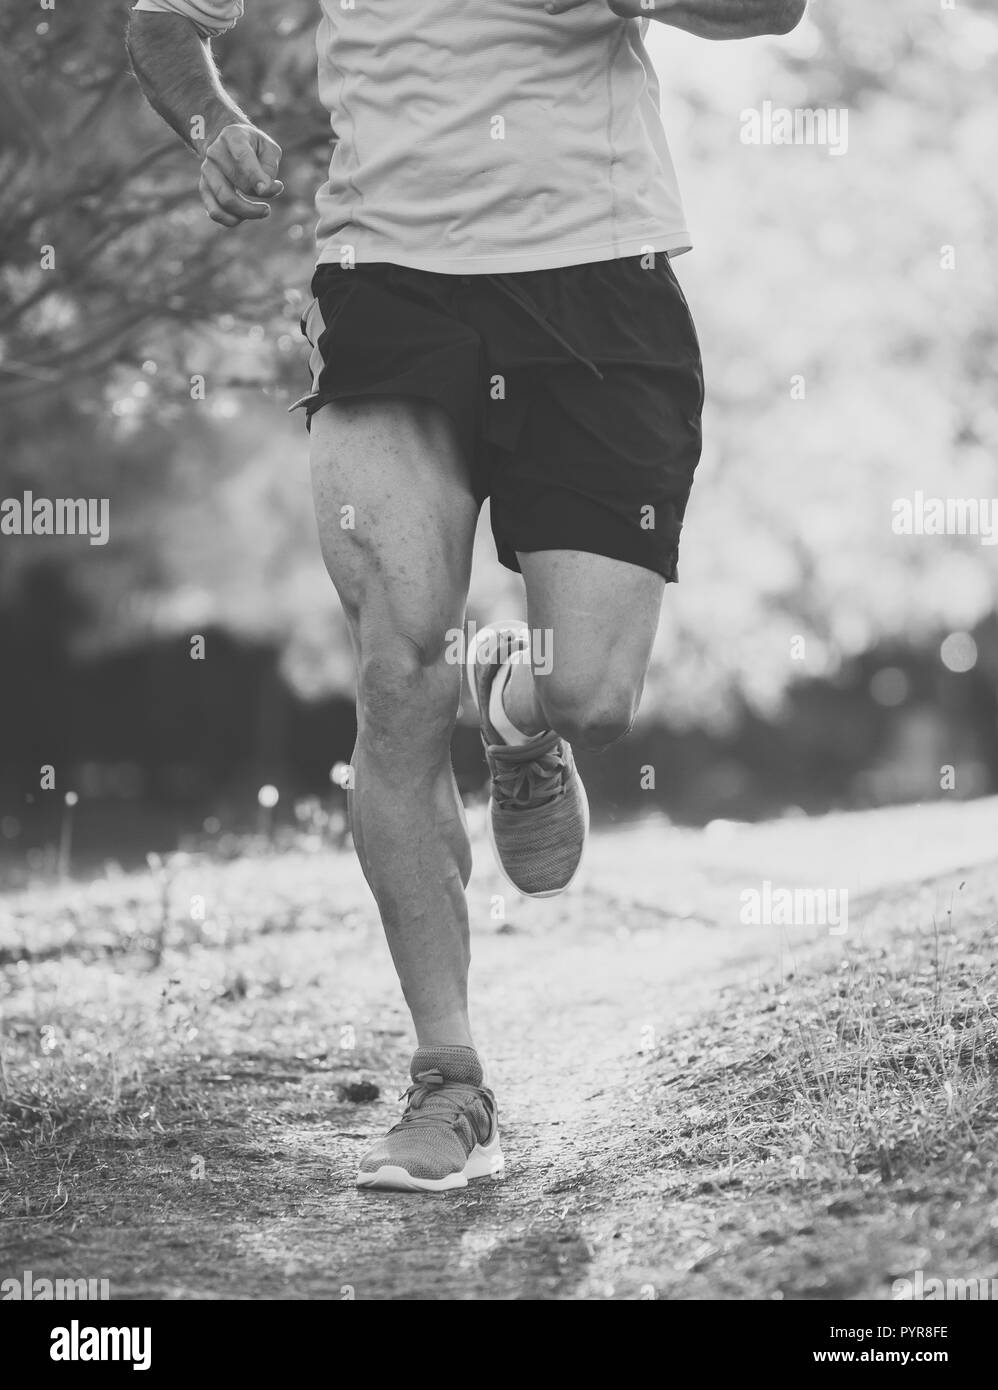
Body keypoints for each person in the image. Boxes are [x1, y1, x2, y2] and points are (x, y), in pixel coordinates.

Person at [126, 0, 806, 1193]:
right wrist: (211, 123)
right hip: (387, 283)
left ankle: (520, 702)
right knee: (397, 669)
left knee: (595, 694)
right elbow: (164, 21)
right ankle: (451, 1082)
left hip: (599, 284)